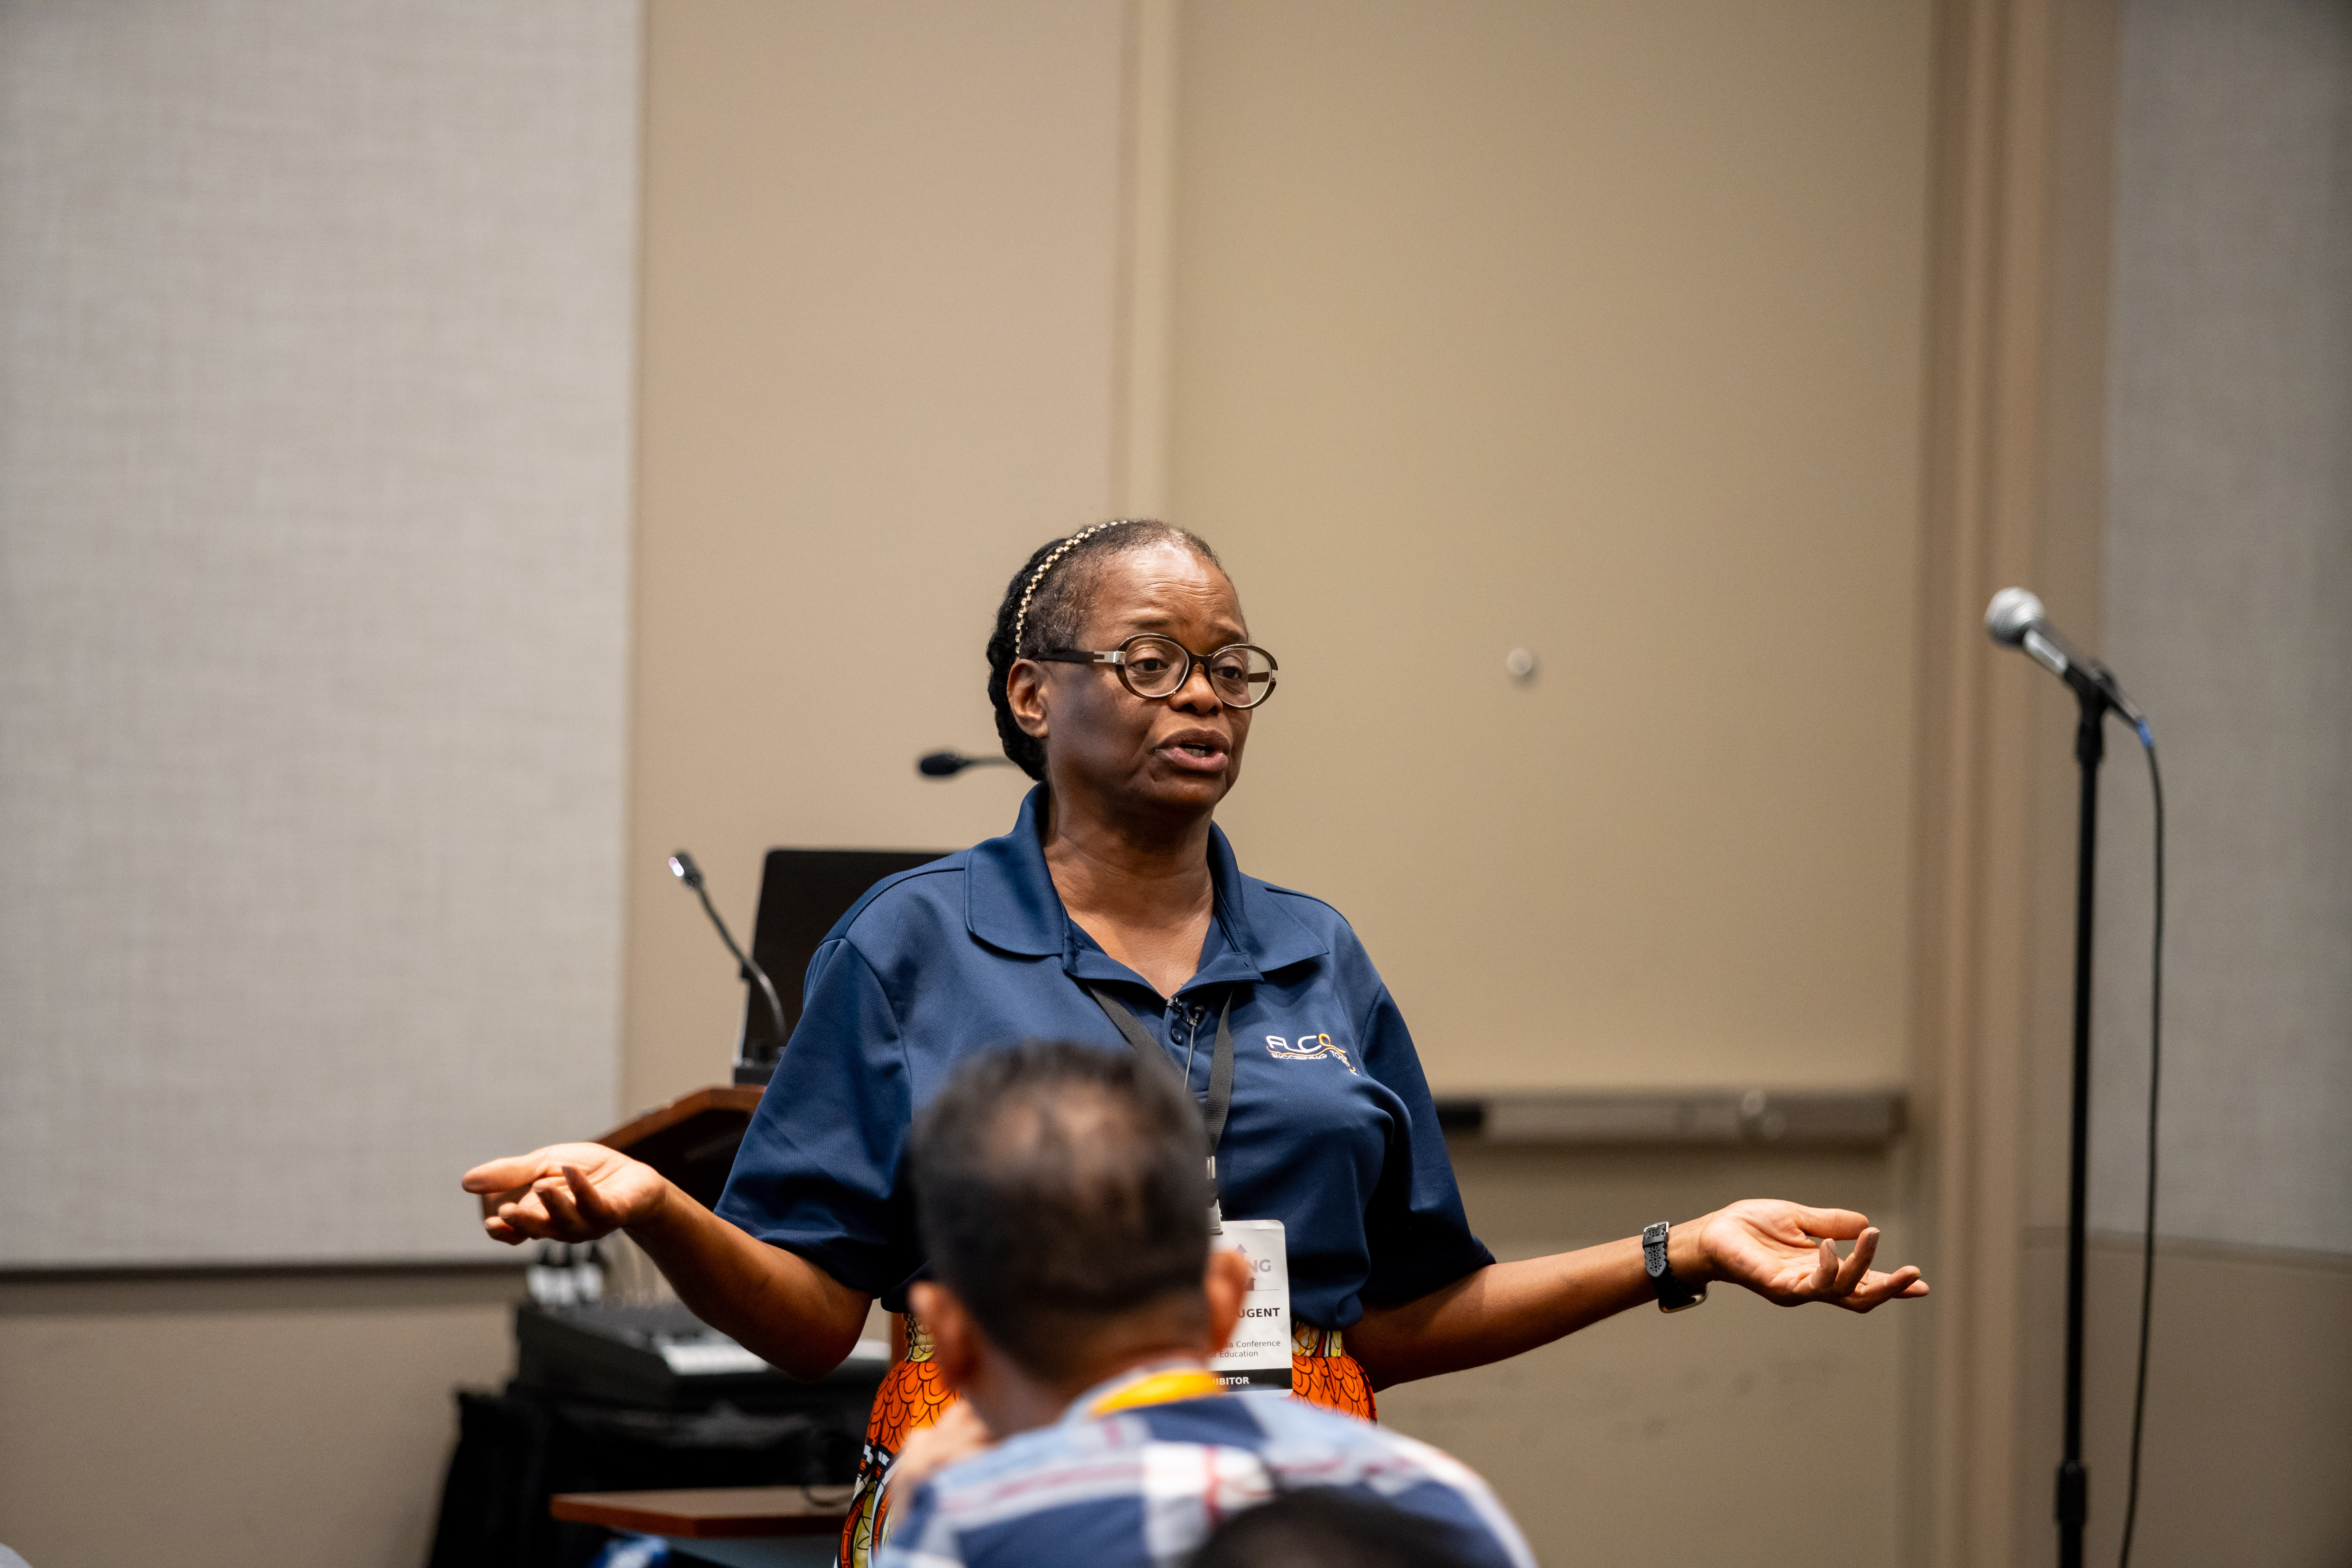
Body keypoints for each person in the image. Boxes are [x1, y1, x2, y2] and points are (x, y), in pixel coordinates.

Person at [463, 519, 1928, 1567]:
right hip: (1003, 1479)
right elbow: (810, 1318)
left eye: (1234, 666)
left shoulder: (1319, 950)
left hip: (1295, 1493)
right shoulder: (911, 942)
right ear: (1034, 695)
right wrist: (655, 1199)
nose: (1208, 695)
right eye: (1156, 661)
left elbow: (1408, 1313)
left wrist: (1684, 1251)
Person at [875, 1038, 1533, 1568]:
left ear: (952, 1337)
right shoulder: (1440, 1500)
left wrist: (911, 1512)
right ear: (1229, 1296)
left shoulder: (972, 1521)